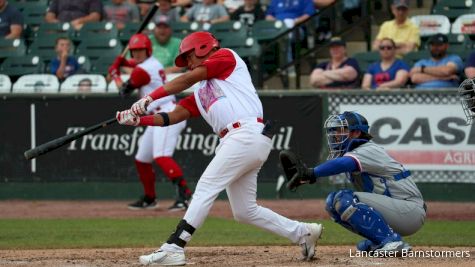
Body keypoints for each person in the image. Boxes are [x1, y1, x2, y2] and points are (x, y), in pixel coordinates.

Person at [115, 31, 323, 265]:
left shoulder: (226, 57)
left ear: (203, 47)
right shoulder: (202, 89)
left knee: (206, 186)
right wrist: (138, 120)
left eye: (189, 57)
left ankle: (175, 246)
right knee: (244, 210)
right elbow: (173, 116)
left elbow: (186, 79)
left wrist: (149, 98)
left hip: (244, 134)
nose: (188, 64)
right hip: (240, 139)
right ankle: (303, 232)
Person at [281, 111, 426, 254]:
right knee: (332, 204)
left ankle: (391, 241)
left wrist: (311, 172)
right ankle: (379, 239)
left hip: (410, 210)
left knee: (344, 199)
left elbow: (344, 163)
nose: (336, 135)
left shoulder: (368, 149)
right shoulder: (353, 152)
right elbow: (342, 163)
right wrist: (307, 177)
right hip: (398, 210)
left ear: (356, 133)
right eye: (335, 130)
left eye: (341, 130)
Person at [109, 33, 192, 211]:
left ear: (148, 50)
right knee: (142, 159)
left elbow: (123, 91)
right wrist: (120, 62)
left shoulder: (142, 71)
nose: (137, 54)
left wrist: (115, 73)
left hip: (167, 114)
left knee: (161, 156)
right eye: (134, 51)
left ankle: (185, 196)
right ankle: (150, 198)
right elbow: (135, 63)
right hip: (157, 114)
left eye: (140, 50)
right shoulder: (151, 62)